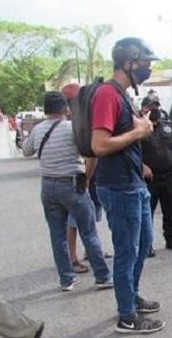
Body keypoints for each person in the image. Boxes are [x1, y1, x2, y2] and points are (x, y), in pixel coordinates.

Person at [90, 37, 165, 334]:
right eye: (145, 63)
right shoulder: (108, 94)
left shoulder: (122, 94)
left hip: (133, 182)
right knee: (126, 251)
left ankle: (130, 296)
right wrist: (139, 132)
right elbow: (99, 145)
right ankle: (126, 315)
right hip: (119, 187)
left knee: (143, 244)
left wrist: (140, 129)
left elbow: (124, 135)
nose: (148, 68)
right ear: (128, 63)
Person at [22, 92, 113, 292]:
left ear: (46, 110)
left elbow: (26, 150)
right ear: (65, 109)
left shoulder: (38, 129)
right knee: (88, 231)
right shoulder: (73, 128)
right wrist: (87, 178)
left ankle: (66, 279)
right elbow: (92, 154)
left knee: (57, 234)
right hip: (72, 184)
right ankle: (103, 276)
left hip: (48, 187)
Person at [61, 83, 111, 272]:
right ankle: (73, 258)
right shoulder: (73, 124)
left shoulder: (84, 118)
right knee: (74, 221)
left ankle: (91, 251)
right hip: (82, 176)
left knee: (90, 218)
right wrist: (88, 177)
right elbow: (90, 155)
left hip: (92, 177)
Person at [141, 99, 172, 256]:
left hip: (169, 176)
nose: (154, 108)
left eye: (156, 105)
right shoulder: (138, 128)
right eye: (150, 106)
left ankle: (171, 240)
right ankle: (147, 245)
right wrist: (142, 166)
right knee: (146, 214)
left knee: (170, 211)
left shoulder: (170, 126)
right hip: (149, 179)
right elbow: (130, 151)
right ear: (143, 108)